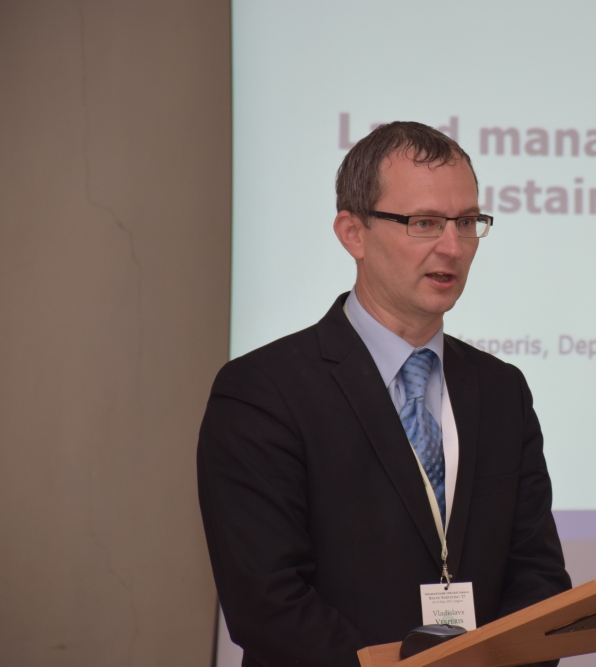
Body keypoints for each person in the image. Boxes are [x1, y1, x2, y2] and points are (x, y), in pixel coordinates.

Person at [197, 121, 572, 667]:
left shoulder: (500, 389)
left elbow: (538, 575)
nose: (453, 247)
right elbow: (268, 605)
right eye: (425, 223)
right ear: (353, 233)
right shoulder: (263, 392)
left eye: (467, 222)